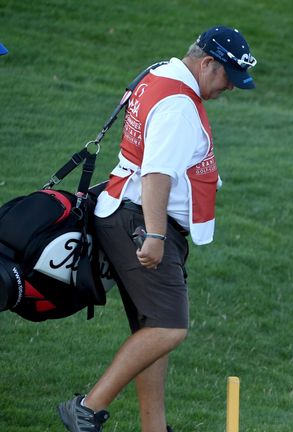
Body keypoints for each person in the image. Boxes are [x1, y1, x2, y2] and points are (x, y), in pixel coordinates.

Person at [57, 25, 257, 432]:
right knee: (168, 328)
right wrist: (155, 234)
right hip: (139, 219)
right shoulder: (179, 106)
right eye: (228, 78)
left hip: (124, 209)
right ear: (207, 64)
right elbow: (157, 173)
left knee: (153, 328)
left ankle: (155, 428)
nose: (229, 89)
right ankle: (87, 409)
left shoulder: (160, 73)